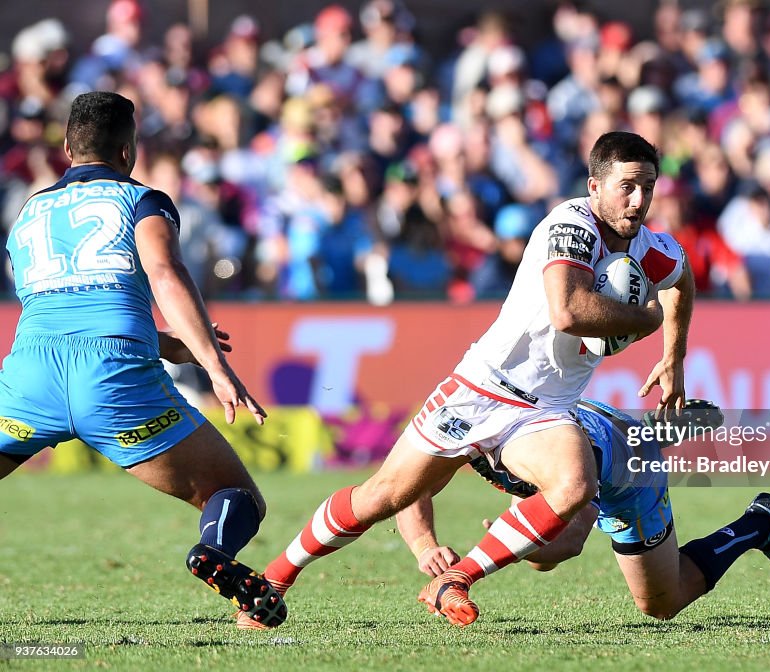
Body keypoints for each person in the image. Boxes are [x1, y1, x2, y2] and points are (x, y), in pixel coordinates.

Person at [246, 131, 696, 628]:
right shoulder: (572, 226)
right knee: (384, 497)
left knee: (574, 485)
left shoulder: (650, 247)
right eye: (627, 186)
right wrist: (644, 321)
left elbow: (682, 279)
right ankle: (275, 576)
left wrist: (672, 358)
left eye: (648, 187)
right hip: (483, 387)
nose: (639, 201)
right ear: (595, 186)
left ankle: (456, 579)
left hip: (545, 410)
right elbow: (567, 311)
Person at [0, 91, 285, 627]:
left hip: (29, 378)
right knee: (234, 495)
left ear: (65, 147)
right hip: (114, 384)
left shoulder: (27, 211)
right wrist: (212, 364)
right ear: (129, 151)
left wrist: (159, 340)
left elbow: (68, 306)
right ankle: (214, 556)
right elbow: (164, 272)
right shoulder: (142, 200)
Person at [397, 399, 770, 621]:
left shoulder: (566, 454)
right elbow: (406, 488)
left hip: (627, 472)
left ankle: (759, 524)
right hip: (576, 445)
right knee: (537, 558)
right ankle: (648, 429)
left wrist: (506, 541)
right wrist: (423, 545)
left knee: (661, 604)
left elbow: (572, 539)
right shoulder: (464, 416)